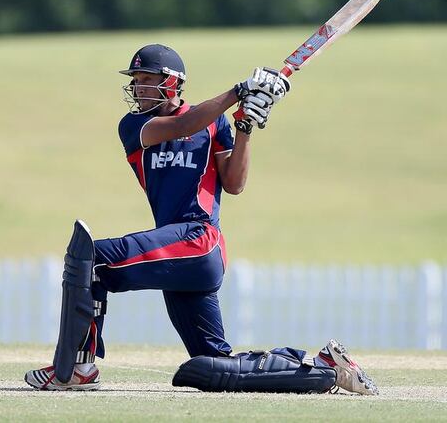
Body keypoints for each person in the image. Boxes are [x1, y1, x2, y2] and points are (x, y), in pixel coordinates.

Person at [24, 44, 378, 395]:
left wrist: (245, 127)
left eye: (148, 79)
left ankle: (75, 368)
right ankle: (324, 368)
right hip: (178, 252)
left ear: (174, 83)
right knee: (212, 368)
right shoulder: (135, 126)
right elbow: (183, 125)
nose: (139, 87)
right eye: (137, 80)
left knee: (93, 258)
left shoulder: (214, 124)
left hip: (200, 240)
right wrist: (238, 91)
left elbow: (235, 183)